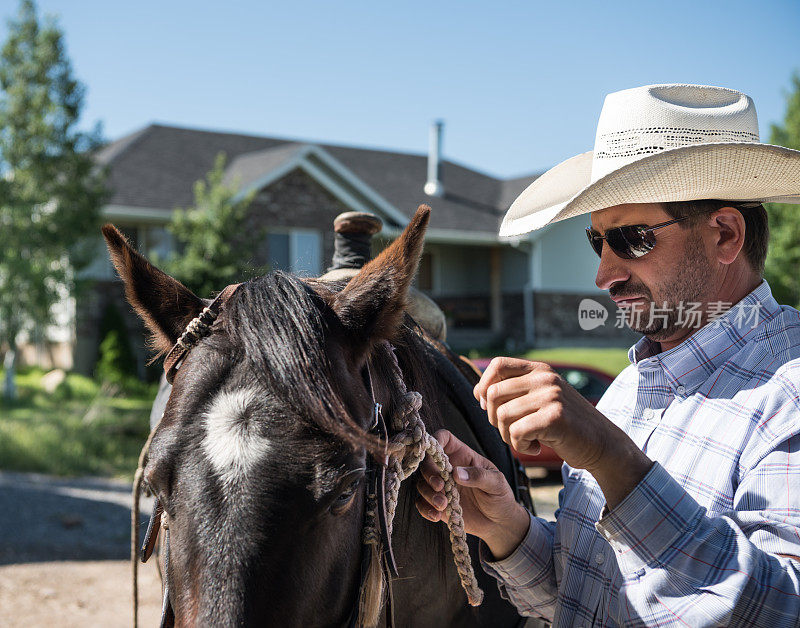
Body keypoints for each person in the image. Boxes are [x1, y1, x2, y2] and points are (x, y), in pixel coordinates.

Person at [416, 84, 800, 626]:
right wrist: (507, 528)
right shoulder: (631, 385)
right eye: (598, 242)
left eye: (633, 238)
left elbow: (784, 610)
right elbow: (586, 599)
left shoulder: (790, 389)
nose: (605, 274)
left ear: (725, 234)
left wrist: (613, 458)